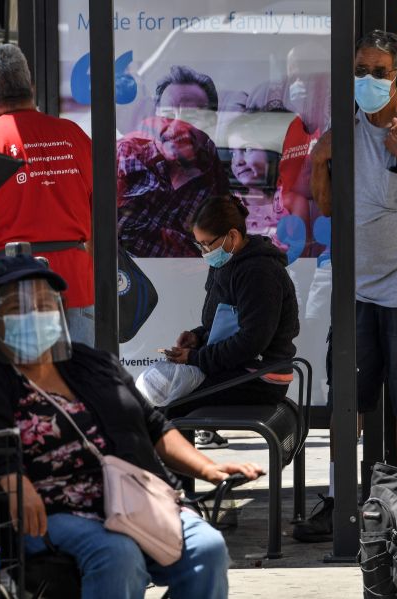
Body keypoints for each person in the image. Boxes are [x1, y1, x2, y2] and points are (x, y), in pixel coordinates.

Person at [0, 254, 263, 599]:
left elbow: (154, 425)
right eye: (19, 307)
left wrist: (209, 467)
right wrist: (13, 481)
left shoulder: (92, 364)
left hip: (130, 498)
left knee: (207, 547)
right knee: (117, 553)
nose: (35, 314)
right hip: (52, 512)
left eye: (45, 303)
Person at [296, 29, 397, 542]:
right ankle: (340, 498)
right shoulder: (341, 128)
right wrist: (320, 161)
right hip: (355, 289)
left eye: (378, 72)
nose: (367, 79)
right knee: (350, 400)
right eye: (360, 70)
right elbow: (327, 206)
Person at [0, 44, 96, 346]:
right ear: (31, 87)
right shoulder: (74, 136)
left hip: (10, 291)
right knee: (76, 386)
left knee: (18, 389)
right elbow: (103, 211)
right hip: (77, 287)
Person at [165, 195, 300, 448]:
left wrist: (194, 358)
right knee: (163, 393)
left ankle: (176, 483)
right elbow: (219, 322)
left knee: (172, 406)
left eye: (207, 244)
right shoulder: (223, 262)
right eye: (200, 246)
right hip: (239, 367)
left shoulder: (259, 272)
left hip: (261, 377)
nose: (205, 252)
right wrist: (198, 337)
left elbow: (252, 341)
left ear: (233, 237)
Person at [117, 65, 230, 258]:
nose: (176, 125)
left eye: (191, 116)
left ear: (211, 122)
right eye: (168, 115)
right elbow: (106, 228)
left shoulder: (213, 174)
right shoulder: (127, 153)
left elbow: (221, 242)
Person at [224, 112, 309, 253]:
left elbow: (302, 257)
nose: (238, 161)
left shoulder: (292, 203)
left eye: (247, 149)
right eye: (233, 153)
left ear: (272, 151)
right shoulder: (230, 204)